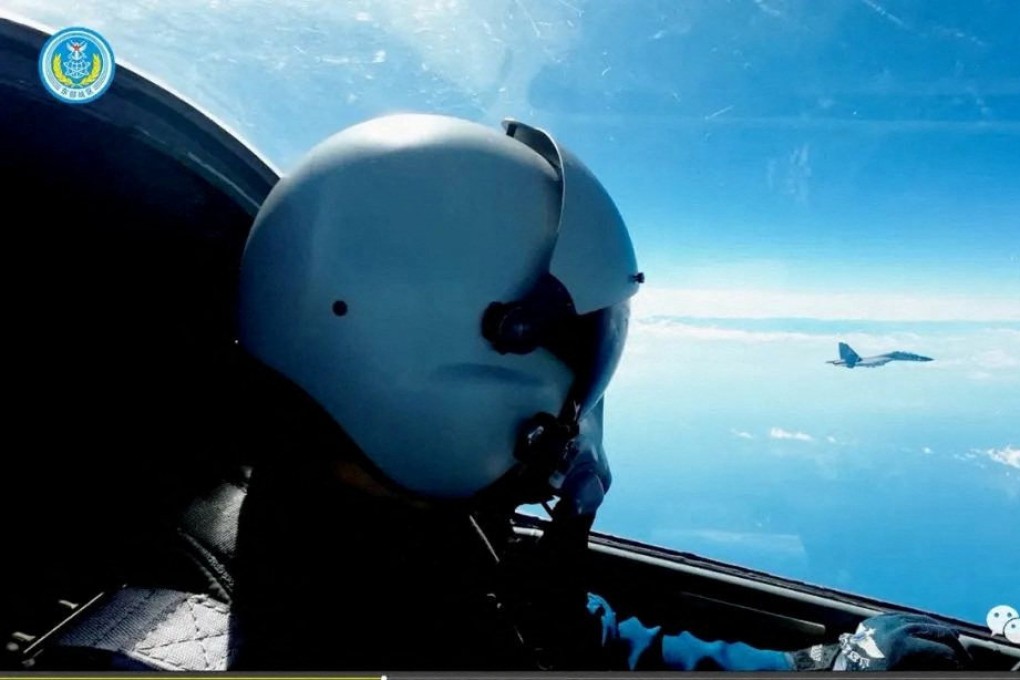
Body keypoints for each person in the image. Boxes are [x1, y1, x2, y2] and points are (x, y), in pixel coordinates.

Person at [230, 113, 971, 672]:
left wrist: (805, 666)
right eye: (577, 359)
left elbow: (559, 636)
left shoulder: (374, 526)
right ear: (451, 364)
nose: (574, 417)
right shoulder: (370, 623)